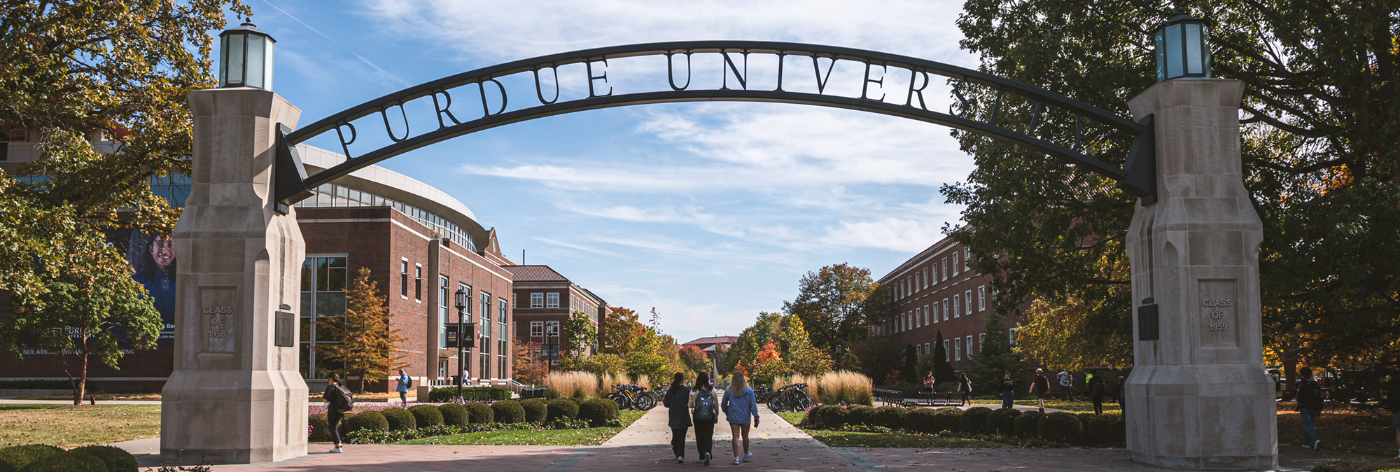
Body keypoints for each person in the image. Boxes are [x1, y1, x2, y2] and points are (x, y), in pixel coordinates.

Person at [722, 370, 760, 465]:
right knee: (745, 436)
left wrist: (727, 411)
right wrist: (756, 416)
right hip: (745, 417)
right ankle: (746, 454)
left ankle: (736, 457)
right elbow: (753, 405)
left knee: (735, 436)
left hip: (733, 416)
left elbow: (723, 404)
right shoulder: (749, 390)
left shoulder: (729, 390)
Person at [662, 373, 692, 463]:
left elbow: (666, 403)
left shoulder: (671, 390)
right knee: (682, 437)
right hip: (683, 416)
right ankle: (680, 455)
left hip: (673, 416)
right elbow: (690, 403)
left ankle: (676, 451)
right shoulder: (686, 390)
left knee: (675, 436)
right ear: (682, 380)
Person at [689, 372, 719, 465]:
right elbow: (716, 404)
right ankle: (707, 452)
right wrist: (716, 414)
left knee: (699, 435)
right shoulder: (712, 390)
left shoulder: (694, 390)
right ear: (707, 380)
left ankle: (701, 456)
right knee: (708, 435)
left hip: (697, 416)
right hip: (710, 416)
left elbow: (690, 405)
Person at [322, 373, 352, 453]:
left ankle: (337, 446)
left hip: (333, 410)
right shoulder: (341, 386)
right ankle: (339, 443)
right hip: (341, 410)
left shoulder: (330, 387)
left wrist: (326, 402)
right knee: (335, 427)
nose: (328, 381)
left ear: (331, 378)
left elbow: (325, 399)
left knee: (332, 427)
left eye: (328, 379)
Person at [1296, 367, 1324, 451]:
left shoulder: (1300, 383)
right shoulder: (1315, 384)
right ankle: (1306, 443)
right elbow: (1321, 395)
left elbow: (1296, 393)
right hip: (1315, 407)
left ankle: (1316, 440)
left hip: (1305, 406)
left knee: (1308, 425)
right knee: (1310, 425)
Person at [1387, 368, 1399, 458]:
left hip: (1397, 410)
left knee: (1398, 432)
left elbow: (1390, 398)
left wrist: (1393, 409)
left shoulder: (1392, 384)